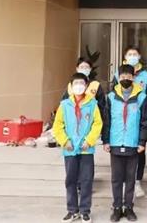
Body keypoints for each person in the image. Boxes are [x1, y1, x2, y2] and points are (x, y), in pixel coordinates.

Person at [52, 72, 103, 222]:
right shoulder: (64, 105)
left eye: (82, 83)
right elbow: (57, 125)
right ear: (71, 86)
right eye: (76, 83)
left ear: (86, 86)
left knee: (86, 180)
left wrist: (90, 140)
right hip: (69, 148)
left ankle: (85, 210)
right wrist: (64, 141)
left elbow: (97, 124)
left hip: (86, 149)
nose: (79, 86)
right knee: (71, 180)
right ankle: (72, 210)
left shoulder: (92, 104)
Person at [103, 64, 147, 222]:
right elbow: (107, 121)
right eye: (122, 77)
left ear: (133, 78)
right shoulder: (111, 97)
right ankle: (117, 207)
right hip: (115, 142)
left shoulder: (141, 97)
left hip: (133, 143)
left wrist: (142, 141)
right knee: (116, 178)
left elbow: (145, 122)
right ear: (118, 78)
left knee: (131, 178)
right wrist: (106, 140)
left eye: (128, 77)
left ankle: (129, 207)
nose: (125, 79)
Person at [112, 46, 147, 199]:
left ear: (140, 56)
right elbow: (113, 93)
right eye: (129, 54)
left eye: (135, 54)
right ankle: (123, 182)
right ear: (125, 56)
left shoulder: (146, 76)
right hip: (122, 120)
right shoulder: (118, 74)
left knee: (139, 151)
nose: (132, 56)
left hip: (139, 116)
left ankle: (137, 181)